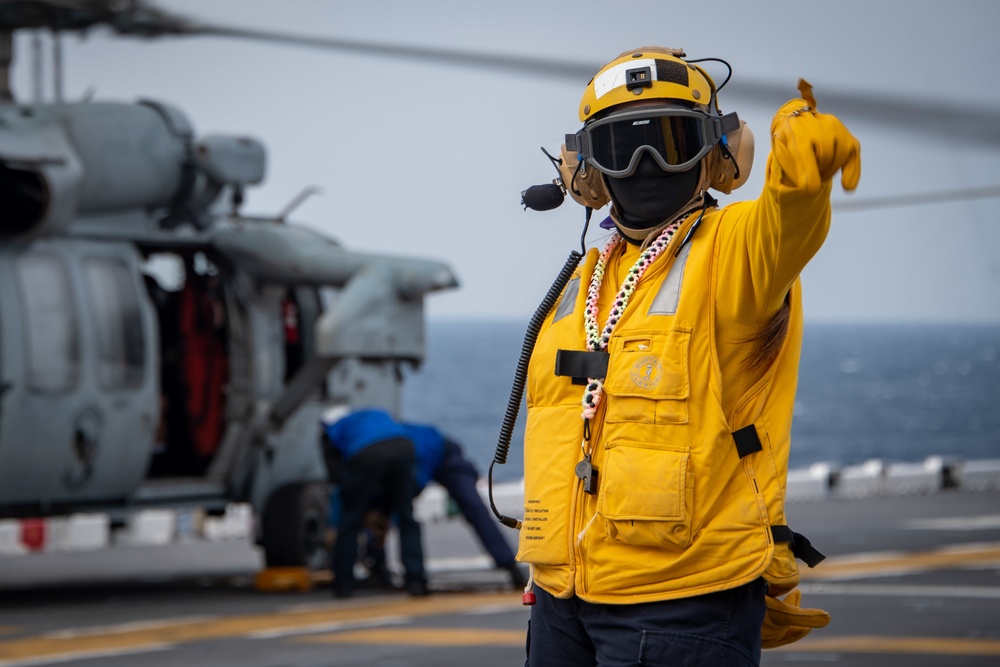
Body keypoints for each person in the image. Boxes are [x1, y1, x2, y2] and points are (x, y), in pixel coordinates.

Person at [517, 47, 860, 666]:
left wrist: (800, 173)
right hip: (562, 601)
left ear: (720, 150)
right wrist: (554, 561)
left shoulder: (735, 255)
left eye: (674, 140)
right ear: (587, 168)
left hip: (684, 600)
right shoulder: (587, 280)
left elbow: (787, 223)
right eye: (623, 148)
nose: (649, 166)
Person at [321, 406, 429, 598]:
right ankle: (416, 581)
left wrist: (360, 510)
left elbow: (339, 480)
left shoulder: (331, 431)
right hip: (404, 447)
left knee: (349, 521)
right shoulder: (371, 414)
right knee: (406, 516)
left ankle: (343, 585)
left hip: (365, 454)